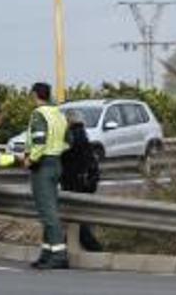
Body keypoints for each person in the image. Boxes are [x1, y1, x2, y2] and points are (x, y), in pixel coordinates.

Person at [24, 82, 71, 270]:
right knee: (49, 210)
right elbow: (69, 142)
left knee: (48, 212)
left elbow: (39, 140)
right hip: (56, 163)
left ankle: (59, 254)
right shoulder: (59, 113)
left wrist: (31, 159)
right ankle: (46, 252)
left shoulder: (39, 114)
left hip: (42, 166)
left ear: (35, 94)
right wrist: (56, 151)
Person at [60, 107, 102, 252]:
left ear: (69, 121)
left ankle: (94, 248)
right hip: (83, 181)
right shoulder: (83, 134)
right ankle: (64, 246)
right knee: (75, 217)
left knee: (76, 217)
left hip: (74, 182)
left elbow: (65, 157)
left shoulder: (72, 136)